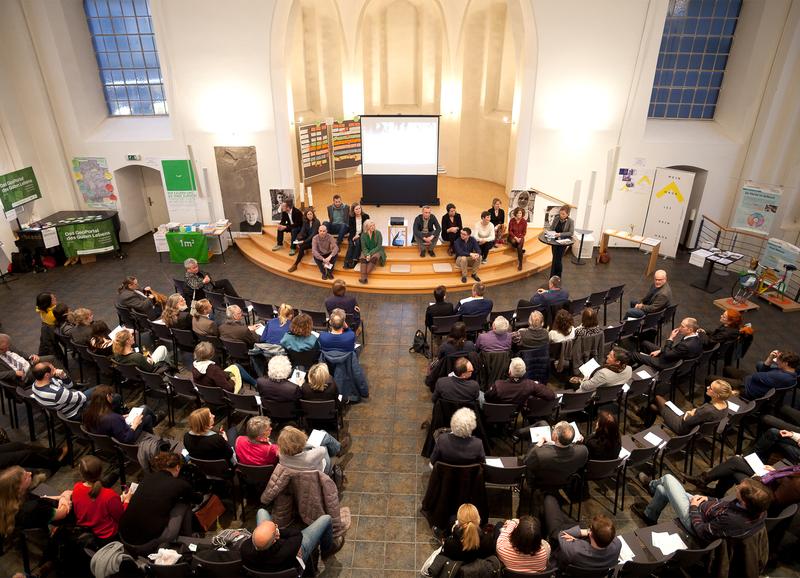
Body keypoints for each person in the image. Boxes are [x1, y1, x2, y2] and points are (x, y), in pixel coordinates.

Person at [630, 474, 772, 542]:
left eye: (739, 489)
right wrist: (708, 499)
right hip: (703, 508)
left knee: (667, 479)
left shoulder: (732, 521)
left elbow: (703, 531)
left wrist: (693, 507)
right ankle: (650, 515)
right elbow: (724, 505)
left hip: (694, 521)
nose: (736, 487)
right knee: (664, 489)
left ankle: (651, 487)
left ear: (745, 502)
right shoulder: (757, 509)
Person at [118, 452, 202, 554]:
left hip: (123, 537)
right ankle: (188, 538)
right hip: (145, 544)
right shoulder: (179, 484)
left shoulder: (147, 478)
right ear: (177, 467)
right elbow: (197, 499)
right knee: (184, 504)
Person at [684, 458, 800, 514]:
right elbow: (791, 472)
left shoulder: (796, 485)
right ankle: (704, 481)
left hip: (763, 496)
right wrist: (775, 471)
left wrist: (757, 479)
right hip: (769, 480)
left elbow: (773, 500)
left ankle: (710, 487)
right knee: (736, 461)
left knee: (733, 471)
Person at [241, 510, 342, 572]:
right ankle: (327, 549)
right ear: (275, 538)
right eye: (275, 528)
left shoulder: (244, 549)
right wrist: (278, 531)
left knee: (261, 511)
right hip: (296, 557)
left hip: (267, 568)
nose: (276, 526)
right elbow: (297, 534)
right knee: (326, 518)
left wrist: (266, 531)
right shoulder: (289, 548)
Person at [542, 496, 620, 570]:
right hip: (588, 569)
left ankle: (548, 496)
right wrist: (577, 541)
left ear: (591, 533)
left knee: (549, 500)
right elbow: (611, 536)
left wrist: (582, 535)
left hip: (558, 551)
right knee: (578, 524)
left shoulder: (573, 550)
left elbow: (560, 535)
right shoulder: (617, 546)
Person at [0, 466, 72, 539]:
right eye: (25, 477)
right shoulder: (32, 508)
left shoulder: (8, 502)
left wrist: (59, 497)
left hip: (41, 518)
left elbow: (41, 498)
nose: (30, 473)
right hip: (61, 520)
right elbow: (63, 512)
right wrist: (65, 495)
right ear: (18, 488)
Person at [639, 379, 731, 434]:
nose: (707, 387)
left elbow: (687, 421)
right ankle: (646, 418)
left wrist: (689, 413)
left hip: (682, 426)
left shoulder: (708, 410)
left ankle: (644, 419)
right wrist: (694, 412)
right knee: (653, 407)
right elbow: (698, 415)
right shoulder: (725, 405)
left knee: (657, 398)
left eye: (710, 388)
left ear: (717, 395)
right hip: (693, 426)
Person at [72, 456, 129, 544]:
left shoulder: (77, 488)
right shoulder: (109, 495)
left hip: (86, 531)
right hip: (108, 536)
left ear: (81, 473)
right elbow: (121, 518)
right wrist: (127, 501)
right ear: (101, 472)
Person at [524, 421, 589, 489]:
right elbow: (581, 464)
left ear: (555, 437)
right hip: (565, 480)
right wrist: (578, 444)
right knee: (543, 423)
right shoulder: (583, 451)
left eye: (554, 428)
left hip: (542, 482)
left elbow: (526, 462)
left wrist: (538, 445)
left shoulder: (540, 453)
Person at [83, 385, 156, 443]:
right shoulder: (113, 418)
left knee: (148, 418)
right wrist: (134, 425)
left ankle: (153, 437)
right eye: (111, 395)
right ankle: (153, 438)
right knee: (144, 408)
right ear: (108, 397)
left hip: (105, 441)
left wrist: (121, 417)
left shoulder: (88, 412)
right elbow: (126, 439)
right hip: (125, 440)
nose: (113, 397)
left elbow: (109, 424)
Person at [626, 317, 703, 371]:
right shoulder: (696, 336)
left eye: (682, 326)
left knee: (634, 354)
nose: (679, 328)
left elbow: (667, 354)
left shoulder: (686, 345)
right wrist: (660, 350)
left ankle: (625, 370)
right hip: (673, 355)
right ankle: (641, 362)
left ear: (690, 329)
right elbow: (675, 350)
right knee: (645, 343)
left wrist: (671, 338)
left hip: (666, 363)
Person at [485, 357, 555, 408]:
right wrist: (537, 384)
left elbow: (487, 397)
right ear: (524, 372)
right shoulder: (530, 384)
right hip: (514, 413)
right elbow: (551, 396)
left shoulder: (498, 385)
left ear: (509, 371)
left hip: (497, 412)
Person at [192, 341, 256, 392]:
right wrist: (233, 380)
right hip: (223, 396)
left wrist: (226, 374)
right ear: (211, 354)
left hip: (208, 394)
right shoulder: (213, 369)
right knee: (236, 372)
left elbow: (214, 376)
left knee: (235, 366)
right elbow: (229, 388)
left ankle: (256, 384)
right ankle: (256, 385)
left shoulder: (195, 366)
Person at [277, 426, 343, 476]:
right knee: (323, 435)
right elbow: (323, 449)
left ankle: (338, 447)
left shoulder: (281, 455)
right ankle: (338, 449)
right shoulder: (313, 455)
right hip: (321, 474)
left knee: (322, 436)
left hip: (299, 476)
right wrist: (306, 444)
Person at [287, 208, 321, 272]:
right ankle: (295, 265)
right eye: (308, 214)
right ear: (306, 215)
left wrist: (304, 241)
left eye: (311, 214)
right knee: (301, 247)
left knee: (302, 245)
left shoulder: (317, 222)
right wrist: (297, 239)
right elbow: (302, 231)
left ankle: (296, 263)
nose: (310, 215)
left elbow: (313, 235)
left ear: (313, 214)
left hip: (315, 241)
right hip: (309, 240)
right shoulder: (306, 222)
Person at [548, 205, 574, 278]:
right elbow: (552, 228)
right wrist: (549, 232)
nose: (561, 215)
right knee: (554, 258)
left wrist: (560, 234)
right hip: (554, 241)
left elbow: (571, 233)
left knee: (558, 259)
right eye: (560, 213)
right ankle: (553, 276)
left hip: (563, 242)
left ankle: (558, 275)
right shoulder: (556, 218)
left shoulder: (570, 221)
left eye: (563, 214)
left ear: (567, 214)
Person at [358, 219, 385, 284]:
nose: (373, 227)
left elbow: (379, 246)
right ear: (366, 227)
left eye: (373, 225)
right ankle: (363, 279)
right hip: (366, 251)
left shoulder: (378, 233)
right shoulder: (363, 235)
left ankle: (364, 277)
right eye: (371, 226)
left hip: (377, 250)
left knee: (374, 258)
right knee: (362, 258)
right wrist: (367, 254)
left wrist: (369, 254)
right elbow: (364, 247)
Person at [344, 202, 369, 269]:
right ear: (353, 211)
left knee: (358, 243)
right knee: (351, 244)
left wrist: (359, 235)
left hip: (363, 235)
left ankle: (354, 261)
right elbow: (351, 229)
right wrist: (353, 238)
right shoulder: (351, 217)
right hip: (353, 235)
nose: (358, 210)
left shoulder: (366, 216)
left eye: (359, 208)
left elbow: (366, 229)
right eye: (356, 209)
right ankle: (347, 261)